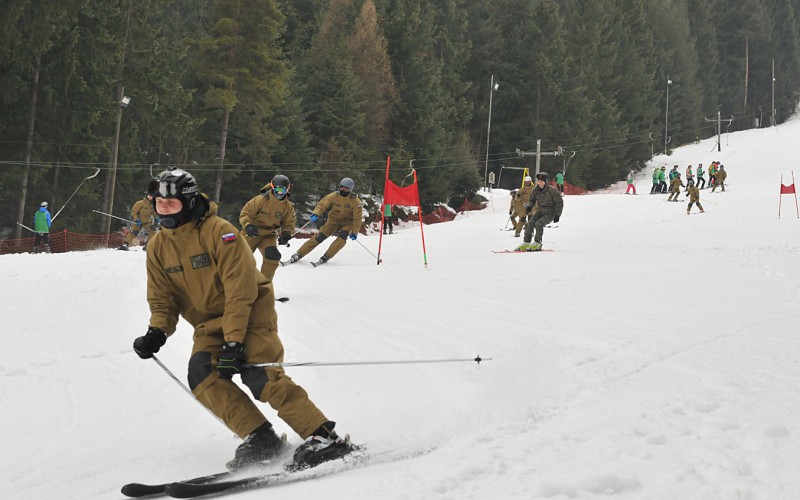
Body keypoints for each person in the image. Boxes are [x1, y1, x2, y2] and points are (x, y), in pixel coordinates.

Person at [133, 167, 352, 471]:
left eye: (172, 204)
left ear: (189, 201)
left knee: (258, 374)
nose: (164, 210)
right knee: (201, 374)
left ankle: (324, 435)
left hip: (250, 315)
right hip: (208, 326)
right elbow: (162, 298)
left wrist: (235, 341)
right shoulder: (158, 246)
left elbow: (240, 291)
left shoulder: (219, 232)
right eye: (160, 204)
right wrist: (157, 331)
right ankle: (261, 438)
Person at [285, 177, 363, 266]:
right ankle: (299, 253)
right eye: (342, 187)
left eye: (346, 188)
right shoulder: (334, 196)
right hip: (333, 221)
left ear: (350, 190)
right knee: (320, 237)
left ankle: (327, 256)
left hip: (347, 223)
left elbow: (357, 218)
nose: (343, 190)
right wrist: (316, 213)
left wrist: (355, 232)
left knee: (342, 237)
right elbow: (322, 205)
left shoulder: (355, 202)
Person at [239, 174, 297, 282]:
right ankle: (232, 284)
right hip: (253, 232)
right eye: (278, 189)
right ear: (272, 187)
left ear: (287, 190)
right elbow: (245, 213)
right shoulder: (260, 200)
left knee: (272, 255)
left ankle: (264, 285)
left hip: (268, 234)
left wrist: (286, 234)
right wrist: (248, 225)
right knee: (240, 257)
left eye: (283, 190)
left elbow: (289, 223)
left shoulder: (288, 207)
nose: (280, 193)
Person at [515, 172, 563, 251]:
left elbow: (559, 203)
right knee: (530, 223)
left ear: (545, 182)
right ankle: (526, 242)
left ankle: (538, 243)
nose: (539, 182)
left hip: (550, 213)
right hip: (540, 211)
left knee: (539, 224)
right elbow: (532, 200)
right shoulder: (535, 190)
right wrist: (530, 206)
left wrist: (557, 215)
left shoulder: (553, 190)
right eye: (539, 181)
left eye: (542, 181)